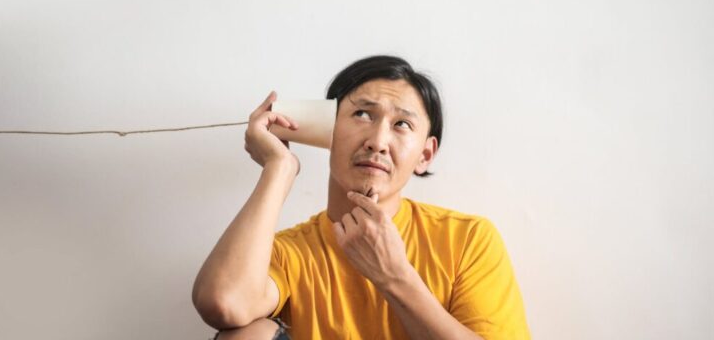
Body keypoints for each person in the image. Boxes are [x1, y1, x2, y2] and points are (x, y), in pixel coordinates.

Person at [192, 55, 531, 340]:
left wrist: (393, 275)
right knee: (244, 334)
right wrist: (278, 168)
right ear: (326, 131)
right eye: (363, 114)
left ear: (425, 155)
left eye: (402, 125)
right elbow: (223, 302)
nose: (378, 141)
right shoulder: (288, 253)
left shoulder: (468, 239)